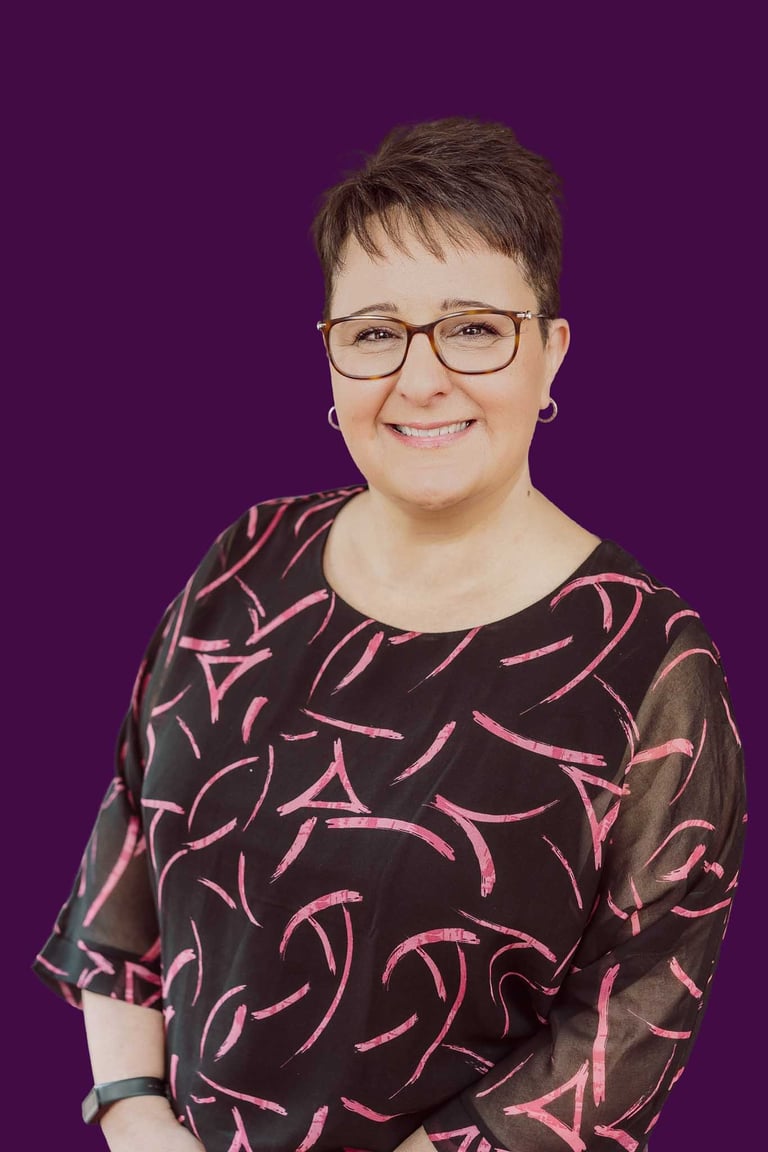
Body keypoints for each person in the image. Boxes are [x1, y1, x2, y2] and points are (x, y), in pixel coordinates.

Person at [34, 117, 746, 1152]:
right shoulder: (245, 558)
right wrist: (134, 1109)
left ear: (551, 353)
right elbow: (128, 854)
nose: (420, 380)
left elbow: (632, 1016)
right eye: (375, 333)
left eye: (474, 329)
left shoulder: (648, 660)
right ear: (329, 355)